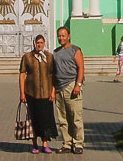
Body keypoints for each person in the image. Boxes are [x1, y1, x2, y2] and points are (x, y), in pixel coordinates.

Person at [20, 34, 57, 154]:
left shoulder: (49, 57)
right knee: (33, 120)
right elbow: (22, 74)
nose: (39, 45)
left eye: (41, 42)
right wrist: (22, 93)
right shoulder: (27, 57)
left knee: (46, 119)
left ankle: (45, 144)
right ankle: (35, 144)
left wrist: (53, 91)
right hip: (31, 93)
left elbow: (53, 75)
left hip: (46, 94)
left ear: (44, 43)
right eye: (37, 43)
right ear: (34, 43)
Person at [53, 26, 84, 155]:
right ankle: (67, 143)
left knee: (75, 116)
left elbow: (81, 68)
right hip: (59, 88)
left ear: (69, 36)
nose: (61, 38)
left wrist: (78, 85)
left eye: (63, 35)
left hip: (71, 86)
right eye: (59, 36)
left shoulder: (75, 50)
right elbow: (54, 72)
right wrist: (53, 89)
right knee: (63, 118)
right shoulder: (56, 52)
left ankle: (78, 143)